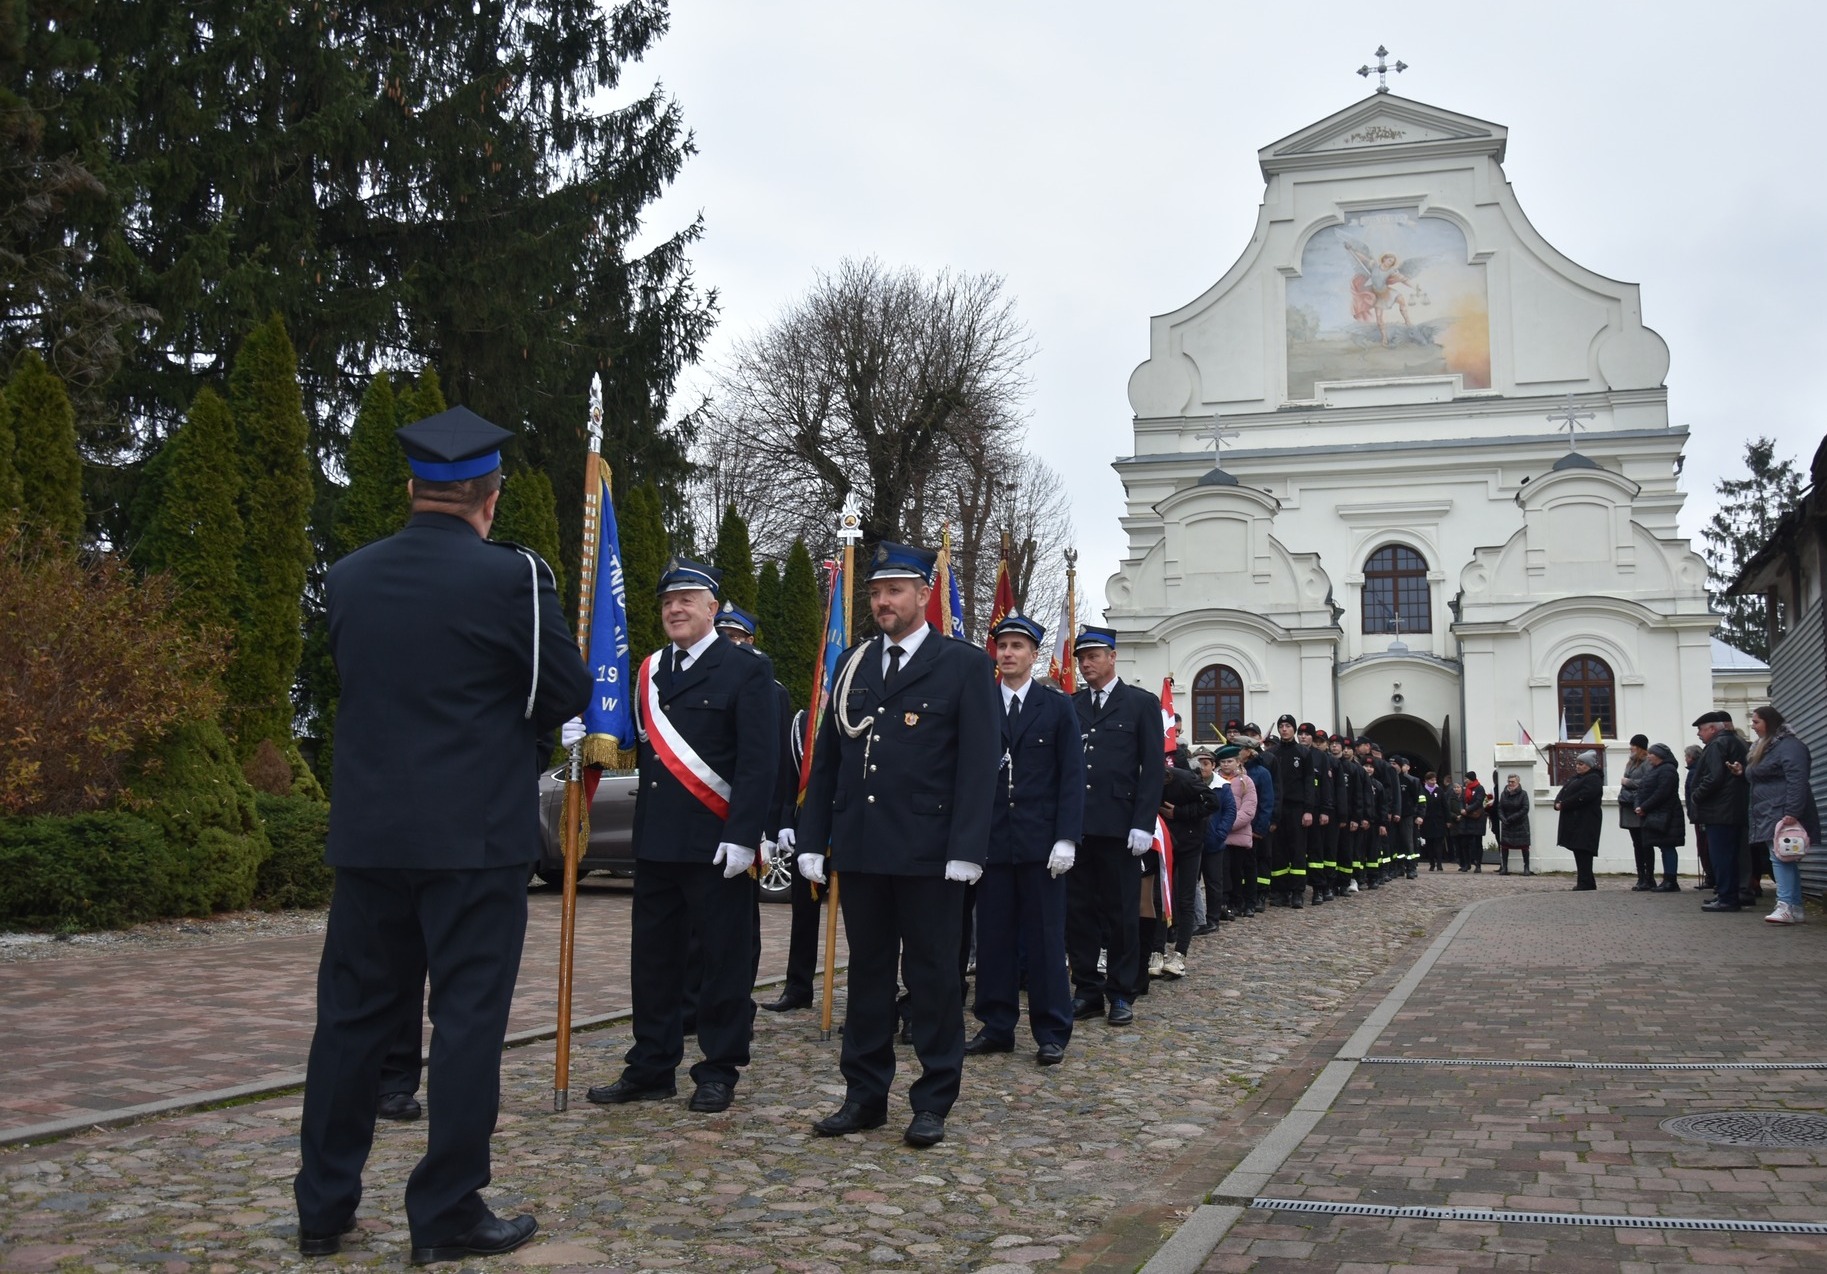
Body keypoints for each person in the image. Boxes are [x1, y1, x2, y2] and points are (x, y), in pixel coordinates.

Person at [294, 407, 589, 1264]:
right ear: (488, 499)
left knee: (350, 1023)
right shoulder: (514, 578)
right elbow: (562, 690)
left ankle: (323, 1207)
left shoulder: (347, 576)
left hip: (370, 835)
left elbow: (353, 682)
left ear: (413, 489)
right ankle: (448, 1210)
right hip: (473, 838)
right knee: (465, 1023)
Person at [795, 541, 999, 1148]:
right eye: (878, 592)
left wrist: (968, 846)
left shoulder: (961, 664)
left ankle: (933, 1098)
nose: (884, 602)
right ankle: (864, 1095)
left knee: (934, 978)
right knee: (868, 977)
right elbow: (828, 756)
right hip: (861, 847)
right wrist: (813, 838)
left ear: (921, 595)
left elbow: (979, 763)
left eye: (895, 591)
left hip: (931, 851)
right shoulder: (854, 662)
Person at [586, 562, 779, 1116]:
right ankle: (651, 1066)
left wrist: (745, 835)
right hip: (656, 842)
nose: (675, 609)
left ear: (712, 607)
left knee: (722, 963)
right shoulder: (649, 669)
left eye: (688, 599)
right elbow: (633, 743)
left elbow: (758, 763)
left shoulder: (745, 669)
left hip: (718, 844)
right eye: (668, 601)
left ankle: (718, 1069)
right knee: (653, 962)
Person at [966, 611, 1083, 1065]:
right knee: (993, 938)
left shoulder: (1056, 707)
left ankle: (1051, 1030)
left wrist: (1067, 838)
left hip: (1041, 846)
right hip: (993, 843)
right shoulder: (979, 703)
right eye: (1002, 646)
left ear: (1035, 655)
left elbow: (1071, 777)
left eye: (1017, 647)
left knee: (1046, 939)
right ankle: (996, 1025)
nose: (1008, 653)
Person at [1065, 627, 1165, 1025]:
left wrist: (1143, 822)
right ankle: (1087, 989)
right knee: (1079, 913)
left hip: (1122, 828)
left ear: (1112, 657)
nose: (1085, 664)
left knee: (1122, 913)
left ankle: (1122, 991)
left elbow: (1153, 769)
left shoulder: (1140, 704)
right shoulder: (1071, 706)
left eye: (1093, 656)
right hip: (1079, 827)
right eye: (1081, 658)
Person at [1742, 704, 1822, 926]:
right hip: (1771, 810)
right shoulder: (1769, 747)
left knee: (1780, 858)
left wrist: (1792, 812)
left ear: (1769, 722)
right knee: (1783, 857)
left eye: (1756, 721)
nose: (1753, 725)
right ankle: (1793, 906)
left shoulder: (1789, 747)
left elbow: (1797, 779)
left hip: (1780, 810)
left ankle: (1785, 904)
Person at [1691, 711, 1751, 913]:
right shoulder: (1734, 742)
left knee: (1722, 856)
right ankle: (1729, 894)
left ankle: (1727, 897)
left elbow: (1714, 777)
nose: (1699, 734)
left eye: (1701, 729)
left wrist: (1696, 795)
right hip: (1731, 808)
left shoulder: (1717, 744)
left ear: (1712, 728)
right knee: (1730, 856)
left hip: (1720, 810)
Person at [1633, 743, 1685, 892]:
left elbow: (1662, 792)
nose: (1648, 756)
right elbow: (1642, 789)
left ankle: (1671, 879)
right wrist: (1638, 805)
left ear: (1659, 755)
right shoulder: (1655, 770)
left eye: (1651, 754)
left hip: (1667, 814)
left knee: (1668, 846)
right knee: (1663, 846)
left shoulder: (1668, 770)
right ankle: (1667, 879)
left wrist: (1644, 807)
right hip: (1656, 813)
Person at [1553, 751, 1604, 891]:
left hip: (1586, 821)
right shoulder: (1576, 778)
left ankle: (1585, 881)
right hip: (1575, 822)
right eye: (1577, 763)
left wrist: (1564, 804)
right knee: (1578, 851)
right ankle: (1586, 880)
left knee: (1584, 851)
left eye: (1581, 764)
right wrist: (1558, 802)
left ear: (1589, 765)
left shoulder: (1593, 779)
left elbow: (1583, 796)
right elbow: (1563, 791)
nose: (1578, 766)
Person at [1617, 734, 1654, 891]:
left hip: (1639, 807)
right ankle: (1641, 876)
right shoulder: (1631, 762)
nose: (1631, 747)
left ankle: (1649, 877)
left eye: (1633, 745)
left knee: (1645, 843)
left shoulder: (1647, 763)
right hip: (1629, 806)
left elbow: (1648, 782)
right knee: (1636, 844)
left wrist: (1628, 782)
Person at [1683, 744, 1713, 891]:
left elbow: (1692, 793)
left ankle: (1711, 876)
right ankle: (1710, 875)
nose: (1686, 759)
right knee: (1703, 846)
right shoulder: (1696, 770)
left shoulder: (1695, 772)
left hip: (1700, 814)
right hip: (1698, 813)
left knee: (1704, 846)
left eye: (1687, 756)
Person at [1494, 773, 1532, 875]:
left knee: (1524, 846)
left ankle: (1526, 867)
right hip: (1507, 824)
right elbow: (1500, 808)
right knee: (1505, 846)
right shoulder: (1503, 794)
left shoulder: (1523, 794)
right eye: (1509, 781)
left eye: (1512, 782)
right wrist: (1502, 818)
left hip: (1520, 823)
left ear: (1518, 782)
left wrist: (1512, 818)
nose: (1510, 784)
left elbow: (1525, 808)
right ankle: (1505, 867)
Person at [1457, 770, 1488, 872]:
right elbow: (1461, 800)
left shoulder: (1480, 788)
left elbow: (1479, 801)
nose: (1465, 780)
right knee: (1465, 843)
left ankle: (1478, 864)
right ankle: (1466, 864)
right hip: (1466, 820)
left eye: (1466, 778)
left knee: (1477, 843)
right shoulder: (1465, 789)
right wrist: (1462, 809)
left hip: (1476, 819)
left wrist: (1467, 809)